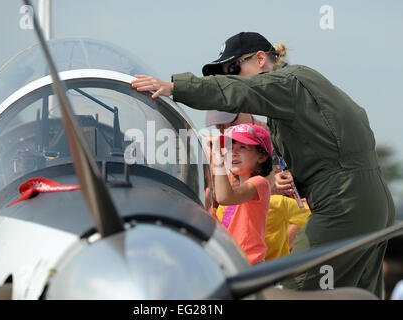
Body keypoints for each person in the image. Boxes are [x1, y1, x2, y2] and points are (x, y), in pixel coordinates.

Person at [131, 31, 395, 297]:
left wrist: (175, 87)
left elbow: (237, 90)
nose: (229, 77)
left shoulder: (287, 82)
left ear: (260, 59)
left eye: (233, 68)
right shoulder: (299, 94)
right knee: (359, 293)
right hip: (373, 202)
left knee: (295, 288)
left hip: (343, 202)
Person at [211, 123, 273, 265]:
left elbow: (224, 197)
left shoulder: (260, 183)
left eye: (243, 147)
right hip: (233, 265)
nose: (233, 153)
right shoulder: (238, 194)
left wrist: (217, 158)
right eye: (230, 148)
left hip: (251, 268)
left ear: (262, 157)